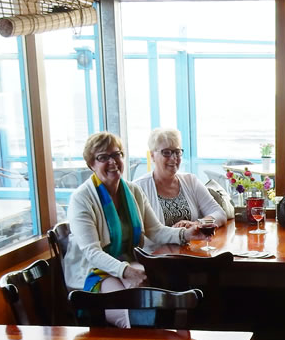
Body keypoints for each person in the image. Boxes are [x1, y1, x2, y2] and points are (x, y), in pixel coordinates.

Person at [63, 131, 203, 328]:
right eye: (103, 157)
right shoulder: (81, 198)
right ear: (91, 164)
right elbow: (92, 253)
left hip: (127, 262)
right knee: (130, 311)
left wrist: (186, 234)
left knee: (158, 293)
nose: (112, 162)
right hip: (93, 272)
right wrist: (127, 272)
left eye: (116, 154)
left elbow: (155, 230)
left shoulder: (133, 191)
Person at [134, 127, 227, 229]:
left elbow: (219, 213)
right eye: (166, 152)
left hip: (193, 240)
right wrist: (178, 234)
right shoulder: (139, 188)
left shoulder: (190, 181)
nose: (173, 158)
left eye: (177, 152)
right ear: (152, 156)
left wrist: (197, 224)